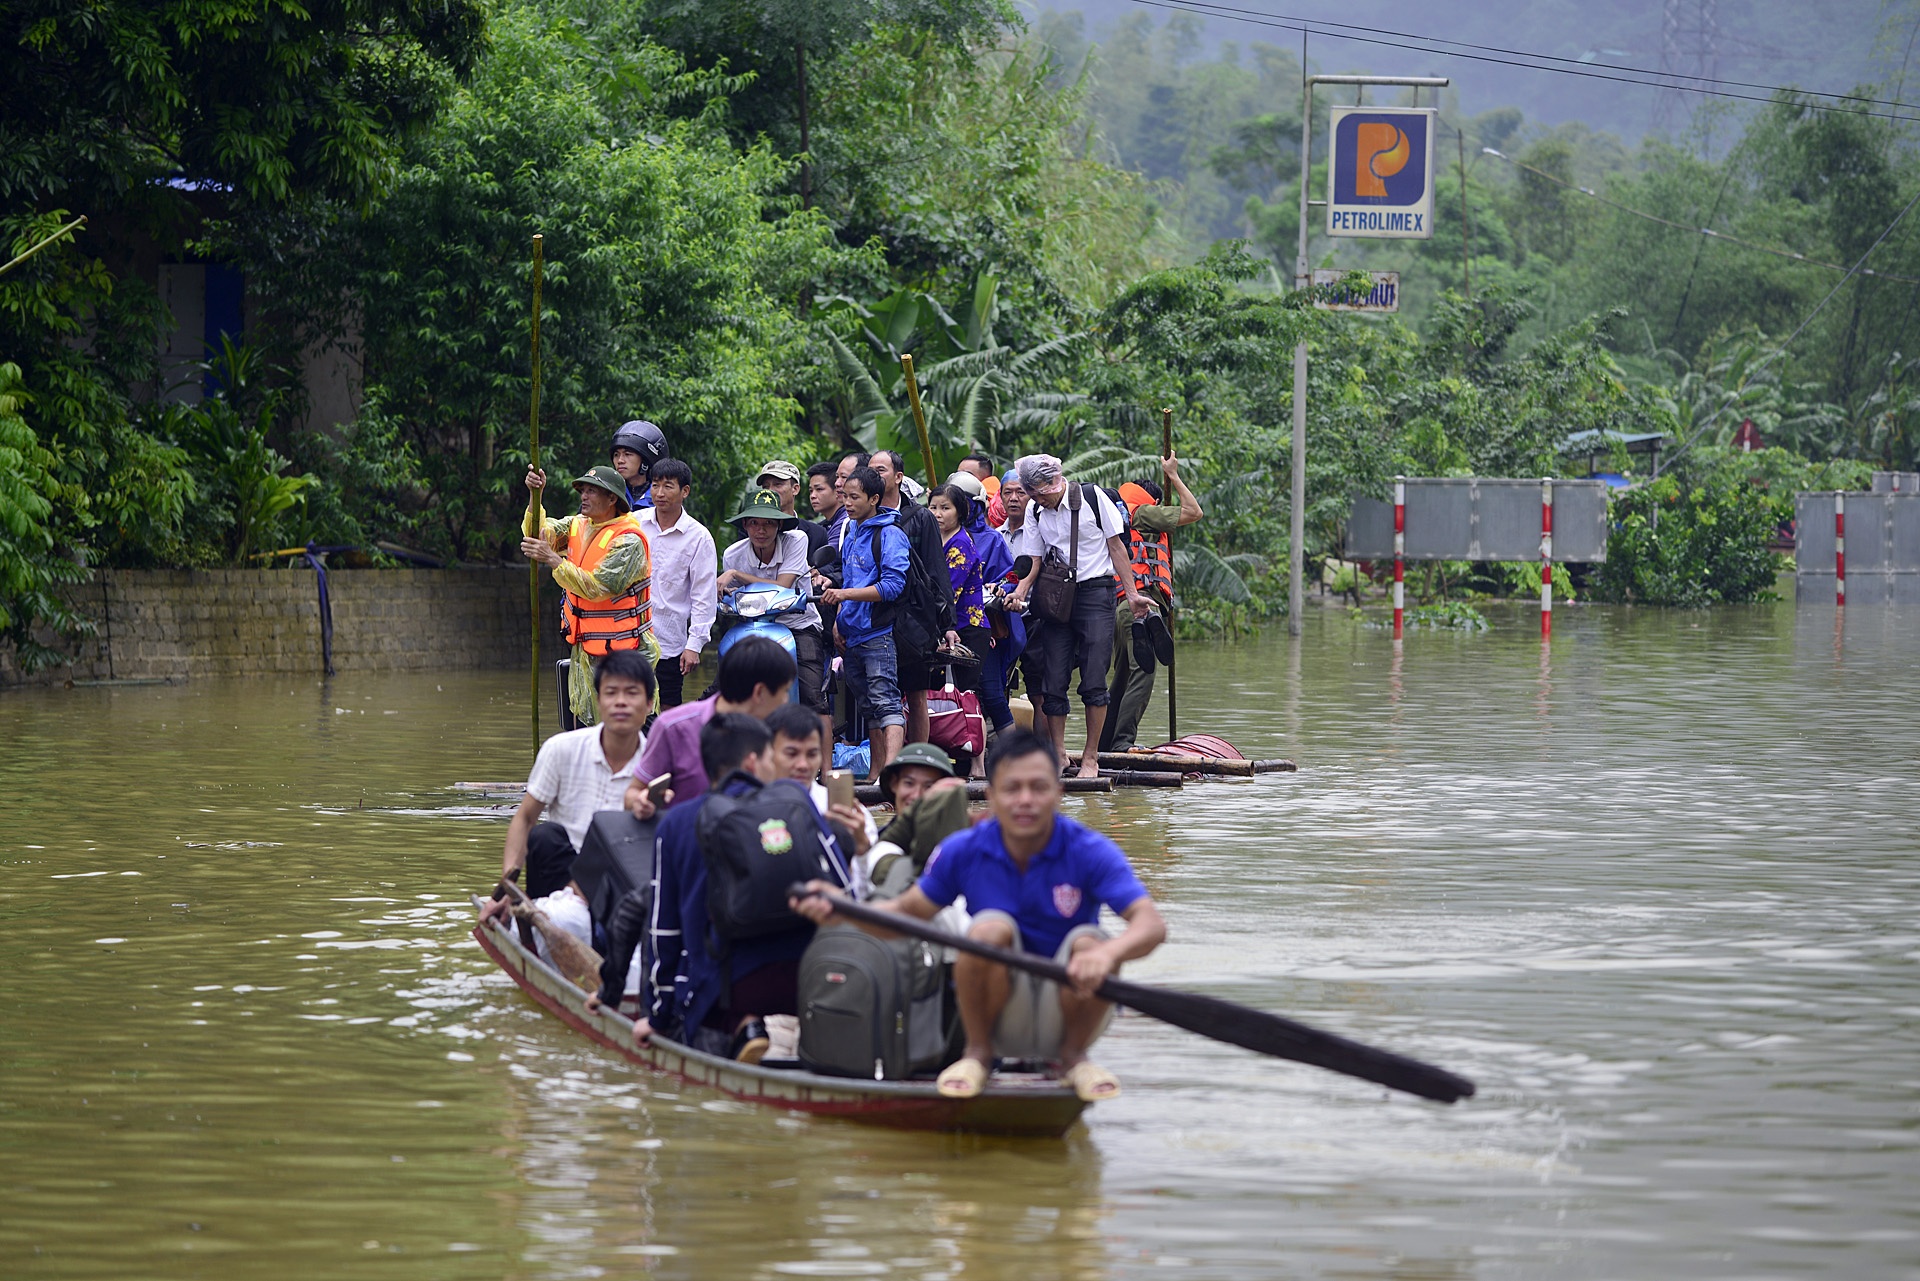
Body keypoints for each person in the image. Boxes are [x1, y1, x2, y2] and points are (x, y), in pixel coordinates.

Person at [792, 729, 1165, 1102]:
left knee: (1089, 941)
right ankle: (979, 1054)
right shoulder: (963, 850)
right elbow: (905, 915)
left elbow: (1150, 924)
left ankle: (1073, 1057)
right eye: (1012, 788)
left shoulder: (1089, 850)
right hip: (999, 1012)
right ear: (991, 796)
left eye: (1038, 788)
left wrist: (1107, 955)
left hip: (1065, 1010)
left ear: (1058, 793)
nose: (1025, 800)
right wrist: (839, 909)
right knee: (990, 929)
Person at [641, 714, 851, 1062]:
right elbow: (845, 892)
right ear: (753, 761)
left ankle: (745, 1029)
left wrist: (658, 1015)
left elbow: (663, 931)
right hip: (813, 982)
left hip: (725, 997)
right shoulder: (797, 803)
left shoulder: (677, 822)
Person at [484, 651, 662, 920]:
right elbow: (525, 818)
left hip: (618, 880)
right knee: (545, 837)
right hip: (561, 872)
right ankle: (544, 924)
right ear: (599, 700)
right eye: (611, 693)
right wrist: (505, 889)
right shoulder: (561, 749)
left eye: (632, 693)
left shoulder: (658, 765)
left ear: (649, 703)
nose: (621, 702)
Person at [1006, 455, 1149, 778]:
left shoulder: (1093, 498)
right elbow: (1035, 559)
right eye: (1035, 494)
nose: (1040, 499)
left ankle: (1090, 757)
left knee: (1094, 679)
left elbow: (1116, 548)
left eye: (1043, 493)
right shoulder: (1035, 509)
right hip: (1056, 596)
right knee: (1052, 678)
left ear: (1056, 482)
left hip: (1096, 593)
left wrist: (1132, 594)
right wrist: (1021, 590)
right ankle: (1058, 754)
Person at [522, 464, 658, 725]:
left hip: (625, 654)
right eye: (583, 490)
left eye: (592, 491)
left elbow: (597, 589)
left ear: (612, 499)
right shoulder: (578, 525)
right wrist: (534, 494)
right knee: (587, 727)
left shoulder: (629, 541)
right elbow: (537, 534)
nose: (584, 496)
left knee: (629, 727)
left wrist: (553, 559)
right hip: (586, 649)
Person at [1106, 453, 1204, 753]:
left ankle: (1105, 742)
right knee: (1144, 672)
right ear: (1155, 501)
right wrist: (1173, 475)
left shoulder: (1117, 515)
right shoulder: (1142, 513)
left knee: (1123, 676)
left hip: (1120, 606)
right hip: (1140, 604)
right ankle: (1123, 743)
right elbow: (1193, 511)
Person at [632, 634, 795, 806]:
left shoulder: (779, 734)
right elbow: (634, 793)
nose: (786, 700)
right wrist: (642, 803)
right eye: (784, 691)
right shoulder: (673, 727)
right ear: (759, 692)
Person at [820, 466, 909, 777]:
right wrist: (838, 622)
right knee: (869, 708)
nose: (846, 502)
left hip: (878, 633)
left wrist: (845, 595)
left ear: (874, 499)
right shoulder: (853, 529)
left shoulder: (891, 534)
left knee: (887, 704)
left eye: (854, 497)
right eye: (844, 496)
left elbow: (893, 587)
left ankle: (893, 775)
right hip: (851, 634)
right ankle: (875, 774)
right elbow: (849, 579)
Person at [869, 450, 958, 745]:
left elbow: (936, 570)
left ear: (898, 477)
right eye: (870, 470)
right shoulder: (860, 515)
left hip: (914, 620)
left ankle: (920, 759)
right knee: (878, 697)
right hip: (873, 618)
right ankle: (880, 768)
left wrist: (947, 624)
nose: (875, 475)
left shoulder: (920, 517)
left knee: (917, 695)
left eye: (881, 470)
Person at [718, 490, 827, 716]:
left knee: (813, 699)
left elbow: (782, 586)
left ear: (779, 525)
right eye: (754, 523)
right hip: (752, 625)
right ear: (745, 525)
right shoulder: (732, 554)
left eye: (769, 523)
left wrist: (736, 574)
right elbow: (731, 592)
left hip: (799, 625)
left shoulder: (796, 540)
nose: (761, 530)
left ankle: (822, 751)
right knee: (721, 689)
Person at [928, 482, 1009, 742]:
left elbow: (948, 591)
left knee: (967, 695)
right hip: (944, 625)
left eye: (945, 508)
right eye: (933, 507)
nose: (938, 514)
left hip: (968, 627)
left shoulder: (961, 543)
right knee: (942, 694)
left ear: (960, 512)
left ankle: (977, 761)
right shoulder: (932, 540)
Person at [638, 458, 717, 710]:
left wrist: (694, 646)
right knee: (627, 707)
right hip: (628, 636)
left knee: (668, 710)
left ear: (685, 491)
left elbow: (704, 596)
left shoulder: (699, 537)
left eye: (668, 486)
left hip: (669, 642)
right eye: (655, 485)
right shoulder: (633, 523)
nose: (659, 493)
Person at [943, 472, 1017, 735]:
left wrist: (1000, 587)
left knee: (992, 693)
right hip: (947, 624)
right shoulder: (937, 536)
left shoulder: (991, 539)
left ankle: (1010, 757)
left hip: (982, 622)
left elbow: (1012, 577)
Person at [765, 701, 876, 859]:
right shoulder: (752, 805)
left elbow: (870, 879)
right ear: (769, 753)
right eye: (792, 753)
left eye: (812, 754)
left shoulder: (851, 815)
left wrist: (862, 848)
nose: (803, 765)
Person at [862, 741, 971, 901]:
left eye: (929, 787)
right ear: (894, 784)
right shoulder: (876, 839)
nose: (917, 795)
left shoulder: (964, 844)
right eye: (909, 783)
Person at [755, 460, 828, 557]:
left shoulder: (817, 533)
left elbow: (829, 567)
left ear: (795, 489)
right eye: (766, 487)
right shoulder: (751, 529)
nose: (770, 491)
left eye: (778, 484)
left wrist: (815, 570)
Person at [609, 420, 668, 511]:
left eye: (627, 454)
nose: (620, 460)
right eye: (616, 455)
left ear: (645, 460)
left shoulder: (663, 499)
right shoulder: (606, 495)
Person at [806, 461, 847, 544]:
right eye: (811, 491)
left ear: (837, 490)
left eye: (819, 489)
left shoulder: (847, 521)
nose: (812, 496)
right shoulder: (822, 526)